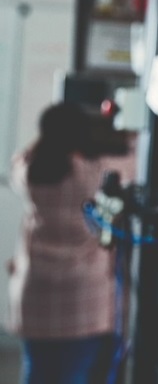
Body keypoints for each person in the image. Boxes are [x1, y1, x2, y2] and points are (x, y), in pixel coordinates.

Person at [6, 102, 136, 384]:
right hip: (84, 302)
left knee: (37, 373)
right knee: (77, 376)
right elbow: (138, 158)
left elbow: (24, 155)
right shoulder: (93, 172)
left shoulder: (28, 172)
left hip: (35, 296)